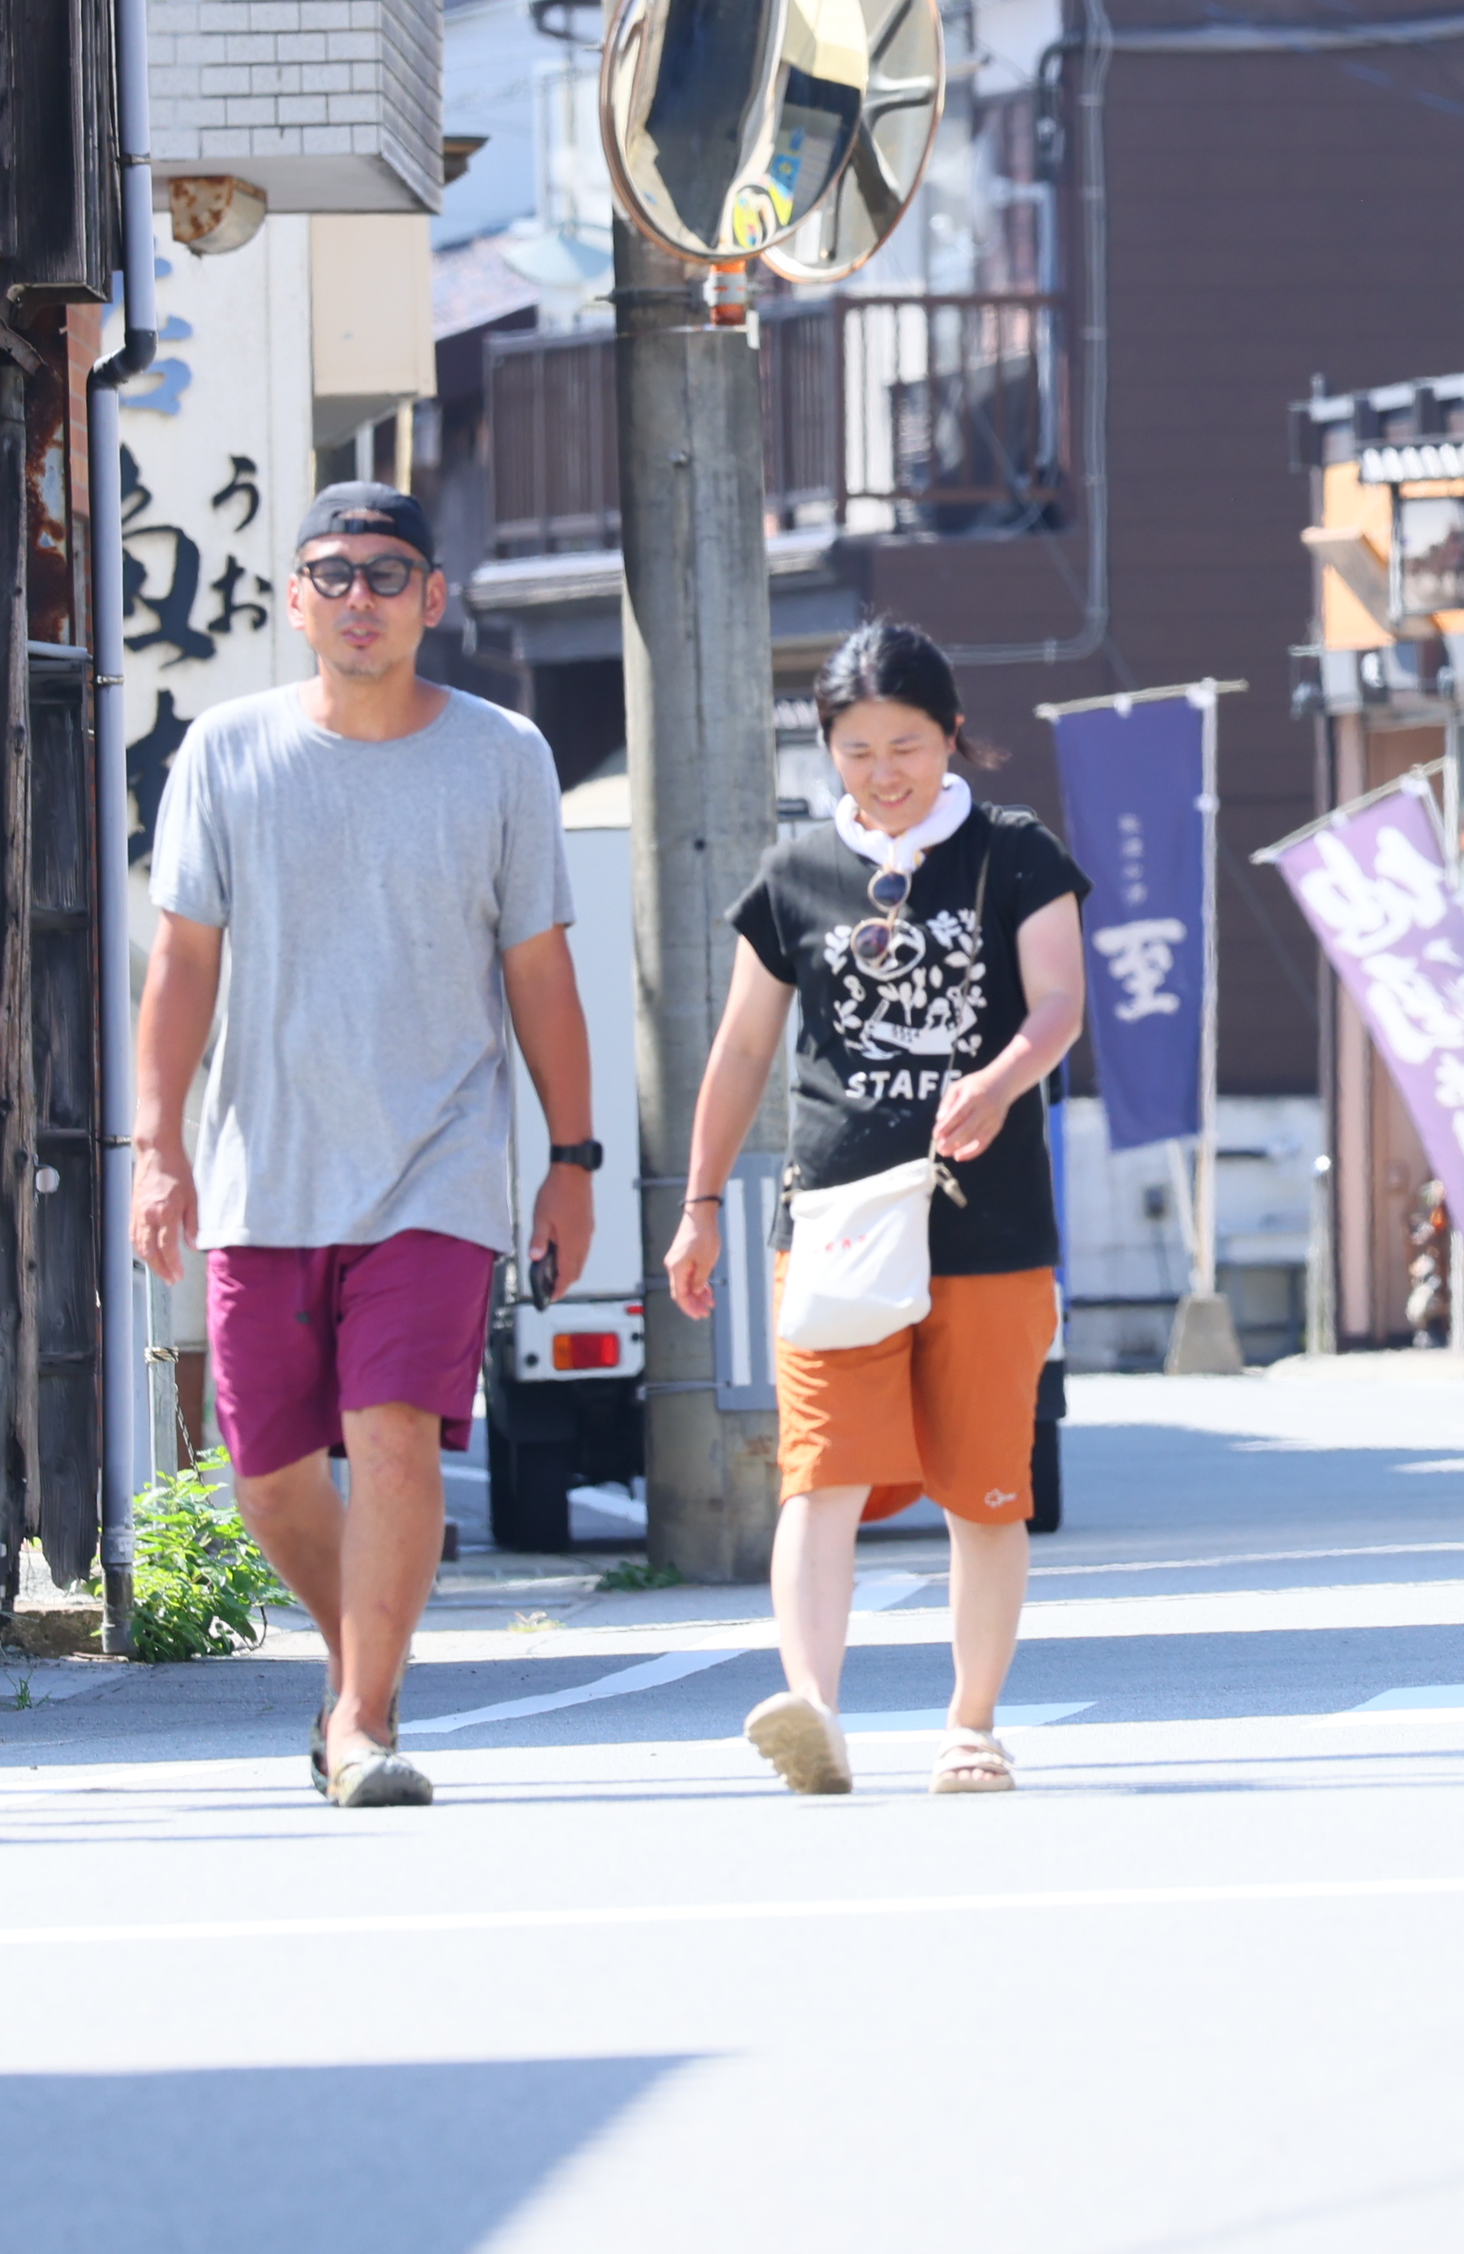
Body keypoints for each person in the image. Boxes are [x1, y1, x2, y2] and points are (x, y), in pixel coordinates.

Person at [128, 480, 588, 1810]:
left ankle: (361, 1722)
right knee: (271, 1482)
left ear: (434, 599)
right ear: (295, 599)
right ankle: (359, 1669)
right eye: (332, 574)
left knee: (393, 1439)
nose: (360, 599)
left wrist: (575, 1156)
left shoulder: (502, 755)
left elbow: (542, 972)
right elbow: (183, 965)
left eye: (387, 575)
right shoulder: (226, 749)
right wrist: (158, 1146)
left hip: (436, 1163)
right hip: (264, 1165)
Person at [671, 619, 1087, 1799]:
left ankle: (971, 1723)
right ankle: (813, 1711)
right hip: (841, 1215)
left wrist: (1000, 1082)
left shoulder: (1015, 852)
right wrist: (701, 1201)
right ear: (828, 751)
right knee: (822, 1472)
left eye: (906, 743)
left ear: (952, 735)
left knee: (983, 1482)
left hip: (986, 1218)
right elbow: (743, 1046)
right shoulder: (795, 872)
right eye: (858, 749)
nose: (884, 770)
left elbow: (1057, 1002)